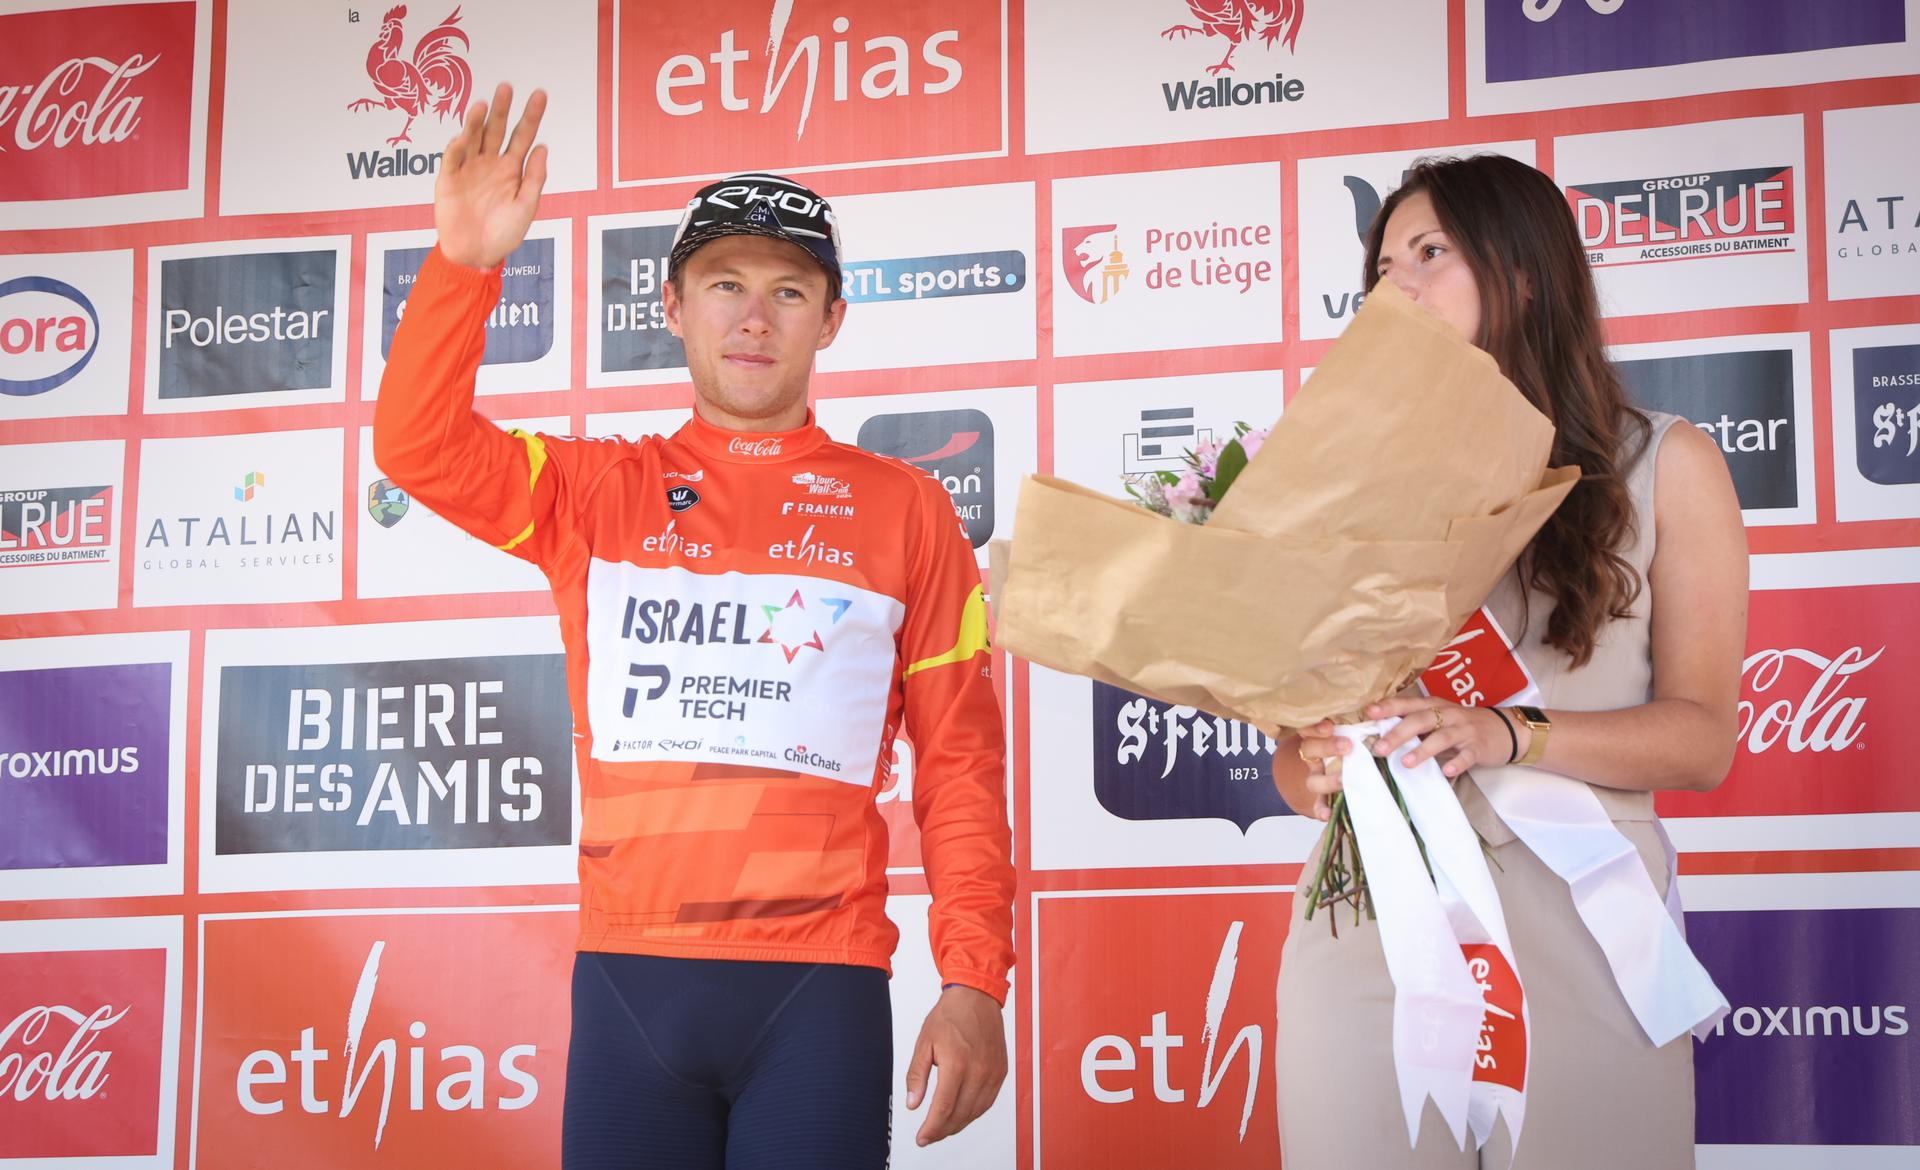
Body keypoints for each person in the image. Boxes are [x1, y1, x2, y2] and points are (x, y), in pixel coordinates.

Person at [373, 84, 1015, 1169]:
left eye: (789, 292)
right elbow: (419, 448)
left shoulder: (907, 510)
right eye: (725, 285)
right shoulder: (595, 490)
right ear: (673, 306)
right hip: (634, 980)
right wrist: (464, 266)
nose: (755, 318)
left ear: (833, 318)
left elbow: (960, 767)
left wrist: (974, 981)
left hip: (823, 985)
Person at [1269, 154, 1747, 1168]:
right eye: (1384, 262)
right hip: (1374, 924)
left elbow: (1703, 739)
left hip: (1582, 918)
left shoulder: (1664, 463)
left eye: (1431, 252)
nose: (1397, 281)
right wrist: (1308, 764)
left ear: (1523, 273)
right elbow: (1294, 751)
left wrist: (1506, 733)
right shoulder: (1340, 490)